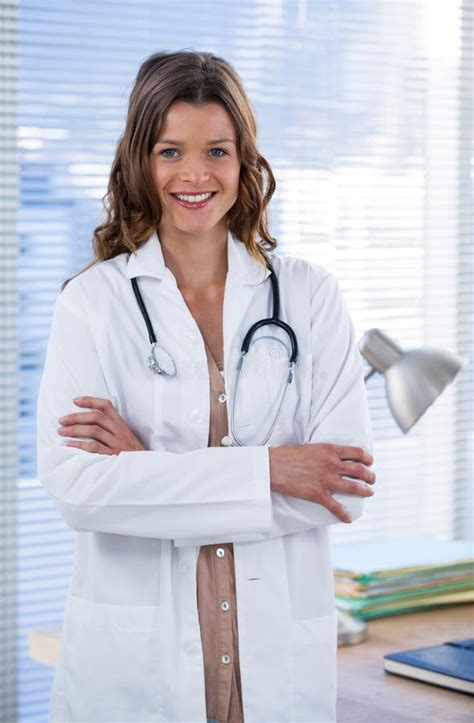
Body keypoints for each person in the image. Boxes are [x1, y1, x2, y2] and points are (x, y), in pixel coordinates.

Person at [36, 50, 376, 723]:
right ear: (141, 159)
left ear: (244, 159)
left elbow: (341, 488)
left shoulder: (309, 296)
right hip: (134, 678)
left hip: (276, 674)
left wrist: (147, 473)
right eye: (170, 151)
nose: (195, 174)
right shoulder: (92, 303)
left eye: (217, 150)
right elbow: (79, 491)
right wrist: (273, 470)